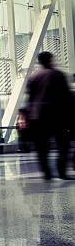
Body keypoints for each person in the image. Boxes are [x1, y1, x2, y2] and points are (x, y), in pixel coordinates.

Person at [25, 51, 72, 180]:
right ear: (50, 60)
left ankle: (46, 174)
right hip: (56, 116)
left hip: (37, 117)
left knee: (41, 147)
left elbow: (30, 99)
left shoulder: (33, 77)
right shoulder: (58, 75)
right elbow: (67, 97)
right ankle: (61, 171)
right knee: (63, 144)